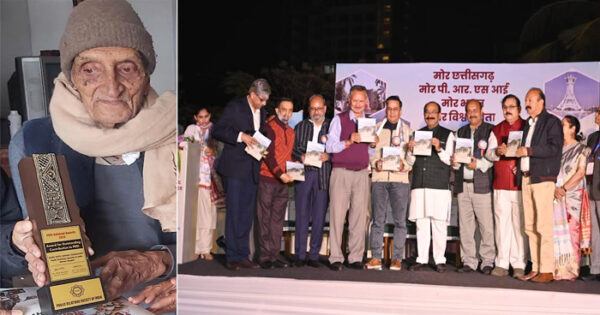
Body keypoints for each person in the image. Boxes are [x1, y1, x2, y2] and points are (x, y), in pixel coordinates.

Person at [7, 0, 176, 311]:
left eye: (127, 67)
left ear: (146, 76)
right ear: (72, 78)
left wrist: (165, 262)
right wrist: (19, 246)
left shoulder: (180, 138)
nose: (111, 87)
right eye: (90, 69)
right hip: (77, 305)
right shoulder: (34, 141)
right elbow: (12, 247)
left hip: (161, 301)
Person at [212, 79, 269, 270]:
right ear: (252, 94)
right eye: (261, 99)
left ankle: (243, 255)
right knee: (235, 212)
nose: (264, 103)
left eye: (266, 100)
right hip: (234, 168)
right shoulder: (235, 106)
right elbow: (218, 130)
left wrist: (263, 149)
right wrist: (240, 136)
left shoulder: (263, 113)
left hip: (252, 168)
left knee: (245, 215)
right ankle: (232, 257)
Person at [326, 85, 376, 271]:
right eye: (354, 100)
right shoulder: (339, 120)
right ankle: (336, 257)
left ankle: (355, 257)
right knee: (337, 216)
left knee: (359, 217)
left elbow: (369, 152)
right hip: (341, 172)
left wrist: (372, 144)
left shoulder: (370, 123)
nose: (357, 104)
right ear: (349, 102)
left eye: (361, 101)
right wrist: (348, 141)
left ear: (366, 102)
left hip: (362, 173)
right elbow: (330, 146)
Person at [516, 88, 563, 283]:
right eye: (526, 100)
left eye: (530, 100)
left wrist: (529, 150)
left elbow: (554, 147)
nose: (527, 104)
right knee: (529, 226)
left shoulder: (551, 122)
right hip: (527, 178)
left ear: (541, 102)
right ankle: (535, 267)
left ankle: (547, 269)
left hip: (543, 179)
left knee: (543, 225)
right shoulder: (528, 124)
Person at [365, 96, 412, 271]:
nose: (392, 112)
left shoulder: (408, 132)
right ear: (386, 110)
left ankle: (397, 258)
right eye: (389, 109)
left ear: (400, 111)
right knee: (378, 220)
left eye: (395, 109)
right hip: (379, 179)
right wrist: (375, 163)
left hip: (400, 180)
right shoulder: (375, 130)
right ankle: (376, 257)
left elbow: (411, 159)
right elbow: (369, 154)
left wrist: (404, 165)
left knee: (400, 221)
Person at [406, 102, 455, 273]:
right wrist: (410, 150)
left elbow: (451, 161)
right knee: (422, 224)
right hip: (420, 185)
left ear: (440, 115)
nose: (430, 115)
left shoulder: (448, 135)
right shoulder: (417, 135)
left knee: (439, 224)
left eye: (434, 112)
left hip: (439, 187)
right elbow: (409, 163)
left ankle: (440, 259)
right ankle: (422, 258)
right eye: (427, 112)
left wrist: (439, 148)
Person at [485, 94, 528, 278]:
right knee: (502, 224)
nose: (508, 110)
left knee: (520, 225)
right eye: (505, 107)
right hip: (501, 183)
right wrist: (497, 151)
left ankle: (518, 263)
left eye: (512, 106)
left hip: (520, 183)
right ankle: (502, 263)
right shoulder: (496, 129)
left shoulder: (528, 127)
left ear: (519, 109)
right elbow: (488, 154)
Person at [452, 100, 495, 274]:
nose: (472, 114)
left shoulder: (491, 130)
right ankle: (469, 261)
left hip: (482, 185)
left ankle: (487, 261)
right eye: (469, 111)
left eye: (475, 110)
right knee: (465, 226)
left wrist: (477, 164)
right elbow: (456, 161)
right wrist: (454, 163)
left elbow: (492, 158)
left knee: (486, 226)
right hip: (463, 185)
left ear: (482, 111)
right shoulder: (460, 132)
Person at [292, 95, 331, 268]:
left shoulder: (332, 126)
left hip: (323, 175)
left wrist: (329, 155)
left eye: (319, 108)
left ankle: (314, 255)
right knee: (301, 215)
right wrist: (300, 155)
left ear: (325, 108)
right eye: (313, 108)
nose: (316, 111)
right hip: (304, 174)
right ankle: (300, 255)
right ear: (309, 109)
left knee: (319, 216)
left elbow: (338, 149)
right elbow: (292, 150)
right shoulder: (300, 127)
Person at [256, 99, 294, 269]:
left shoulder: (291, 132)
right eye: (283, 109)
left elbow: (288, 157)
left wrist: (298, 166)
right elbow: (267, 155)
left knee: (277, 220)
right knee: (264, 218)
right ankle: (264, 256)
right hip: (267, 179)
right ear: (277, 110)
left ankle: (273, 254)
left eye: (290, 110)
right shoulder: (268, 127)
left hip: (283, 182)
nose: (286, 113)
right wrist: (280, 174)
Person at [553, 116, 589, 281]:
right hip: (554, 195)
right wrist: (554, 188)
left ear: (573, 128)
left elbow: (580, 173)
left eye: (563, 125)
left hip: (572, 196)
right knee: (554, 234)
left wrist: (564, 189)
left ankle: (571, 270)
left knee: (571, 233)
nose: (560, 127)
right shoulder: (555, 149)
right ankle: (555, 269)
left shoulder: (582, 149)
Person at [183, 107, 219, 260]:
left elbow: (220, 152)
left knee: (208, 216)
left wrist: (213, 152)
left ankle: (206, 249)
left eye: (206, 117)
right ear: (195, 117)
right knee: (195, 216)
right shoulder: (191, 130)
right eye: (200, 117)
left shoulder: (215, 132)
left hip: (210, 180)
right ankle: (195, 248)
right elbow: (185, 149)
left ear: (209, 116)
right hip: (193, 179)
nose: (204, 120)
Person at [584, 105, 600, 281]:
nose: (596, 115)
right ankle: (595, 269)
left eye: (599, 113)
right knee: (594, 231)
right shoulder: (593, 137)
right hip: (591, 187)